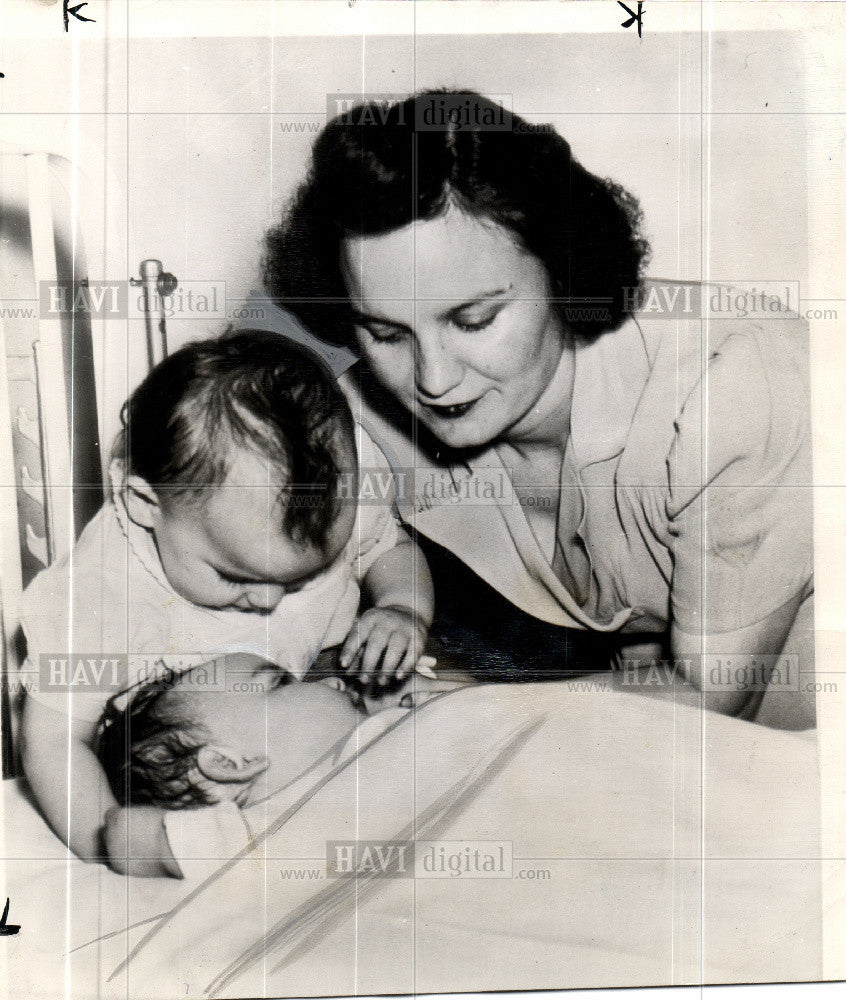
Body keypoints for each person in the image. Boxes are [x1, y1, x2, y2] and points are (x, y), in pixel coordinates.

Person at [262, 89, 814, 728]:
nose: (433, 381)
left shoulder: (738, 382)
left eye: (475, 319)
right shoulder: (363, 418)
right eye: (385, 334)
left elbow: (710, 697)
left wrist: (470, 709)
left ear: (562, 267)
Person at [19, 330, 434, 864]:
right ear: (148, 504)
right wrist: (106, 852)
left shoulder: (333, 485)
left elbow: (389, 547)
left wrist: (402, 608)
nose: (266, 601)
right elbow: (54, 742)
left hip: (314, 684)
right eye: (234, 576)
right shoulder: (104, 594)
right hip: (197, 743)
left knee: (425, 698)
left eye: (300, 576)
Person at [96, 652, 421, 878]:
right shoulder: (277, 833)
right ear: (229, 763)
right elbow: (125, 835)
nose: (333, 681)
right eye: (280, 683)